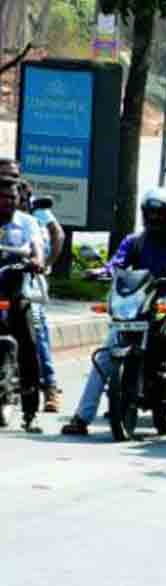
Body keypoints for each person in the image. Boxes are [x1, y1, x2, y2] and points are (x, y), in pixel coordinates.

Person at [61, 188, 166, 435]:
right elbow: (118, 261)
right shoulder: (134, 241)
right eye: (151, 214)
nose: (155, 219)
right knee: (105, 354)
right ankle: (82, 418)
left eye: (161, 214)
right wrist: (103, 271)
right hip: (139, 302)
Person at [11, 174, 63, 412]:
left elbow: (56, 235)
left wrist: (45, 264)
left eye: (16, 198)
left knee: (37, 329)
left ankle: (50, 388)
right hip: (5, 277)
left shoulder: (33, 218)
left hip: (30, 281)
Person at [0, 177, 46, 433]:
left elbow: (37, 246)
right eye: (2, 197)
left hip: (15, 290)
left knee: (29, 346)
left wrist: (37, 260)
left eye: (11, 198)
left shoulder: (27, 223)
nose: (6, 202)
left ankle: (30, 412)